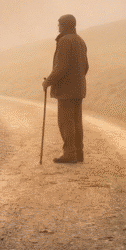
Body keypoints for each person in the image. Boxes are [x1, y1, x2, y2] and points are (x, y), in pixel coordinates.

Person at [42, 14, 89, 163]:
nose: (58, 27)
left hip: (66, 91)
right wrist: (77, 79)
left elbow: (60, 67)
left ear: (66, 25)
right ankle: (78, 153)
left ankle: (69, 154)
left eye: (60, 24)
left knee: (66, 122)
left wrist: (47, 82)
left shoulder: (64, 41)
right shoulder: (80, 41)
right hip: (79, 89)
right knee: (76, 121)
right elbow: (86, 66)